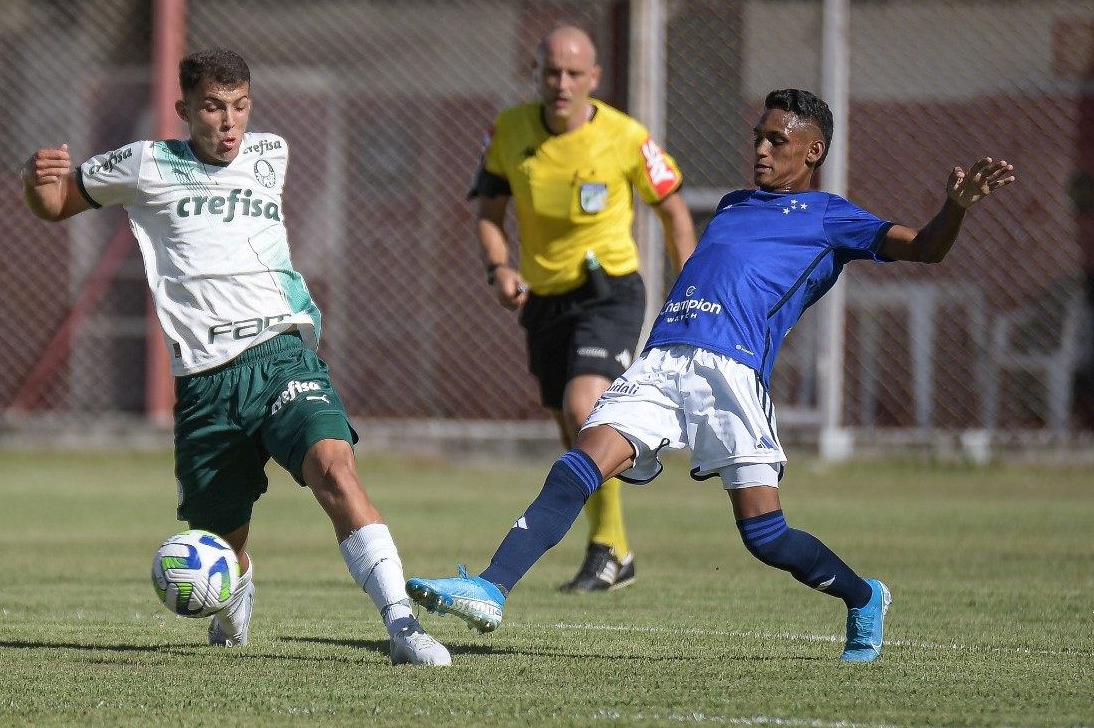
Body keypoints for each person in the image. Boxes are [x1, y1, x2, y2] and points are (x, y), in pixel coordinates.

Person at [409, 89, 1015, 662]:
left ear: (813, 152)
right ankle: (490, 588)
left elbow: (925, 248)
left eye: (777, 140)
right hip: (664, 357)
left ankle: (864, 597)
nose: (761, 149)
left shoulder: (830, 217)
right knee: (580, 462)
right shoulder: (731, 205)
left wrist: (953, 209)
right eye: (758, 137)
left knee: (766, 537)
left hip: (732, 375)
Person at [22, 47, 451, 666]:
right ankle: (236, 590)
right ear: (184, 109)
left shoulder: (269, 152)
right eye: (213, 109)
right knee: (221, 536)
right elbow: (56, 203)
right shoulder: (146, 163)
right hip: (204, 381)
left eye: (240, 107)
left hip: (281, 353)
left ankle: (403, 625)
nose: (229, 123)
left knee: (334, 467)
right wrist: (35, 183)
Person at [471, 25, 696, 593]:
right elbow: (488, 213)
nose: (562, 83)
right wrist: (500, 270)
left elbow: (673, 212)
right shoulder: (511, 129)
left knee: (584, 406)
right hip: (544, 301)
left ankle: (609, 547)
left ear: (595, 79)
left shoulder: (624, 136)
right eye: (552, 72)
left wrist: (693, 289)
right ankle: (615, 551)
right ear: (536, 74)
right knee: (570, 424)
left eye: (575, 73)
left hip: (610, 291)